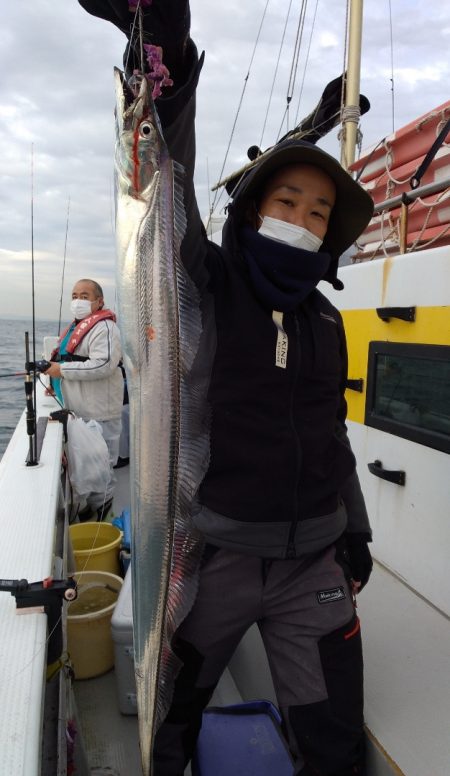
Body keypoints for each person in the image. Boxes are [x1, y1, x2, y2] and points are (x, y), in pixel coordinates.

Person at [79, 3, 375, 774]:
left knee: (335, 738)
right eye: (287, 204)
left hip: (313, 562)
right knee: (170, 721)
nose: (303, 222)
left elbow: (331, 431)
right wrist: (167, 72)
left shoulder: (325, 322)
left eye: (318, 215)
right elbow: (164, 206)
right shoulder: (206, 285)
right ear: (251, 212)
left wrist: (356, 527)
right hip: (211, 558)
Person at [45, 278, 123, 521]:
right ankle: (91, 512)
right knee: (86, 469)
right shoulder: (76, 327)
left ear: (99, 301)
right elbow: (66, 360)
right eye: (75, 295)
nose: (78, 300)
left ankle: (103, 520)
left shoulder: (105, 328)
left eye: (85, 296)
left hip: (100, 414)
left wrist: (62, 372)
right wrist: (55, 382)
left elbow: (103, 364)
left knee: (102, 470)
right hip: (79, 412)